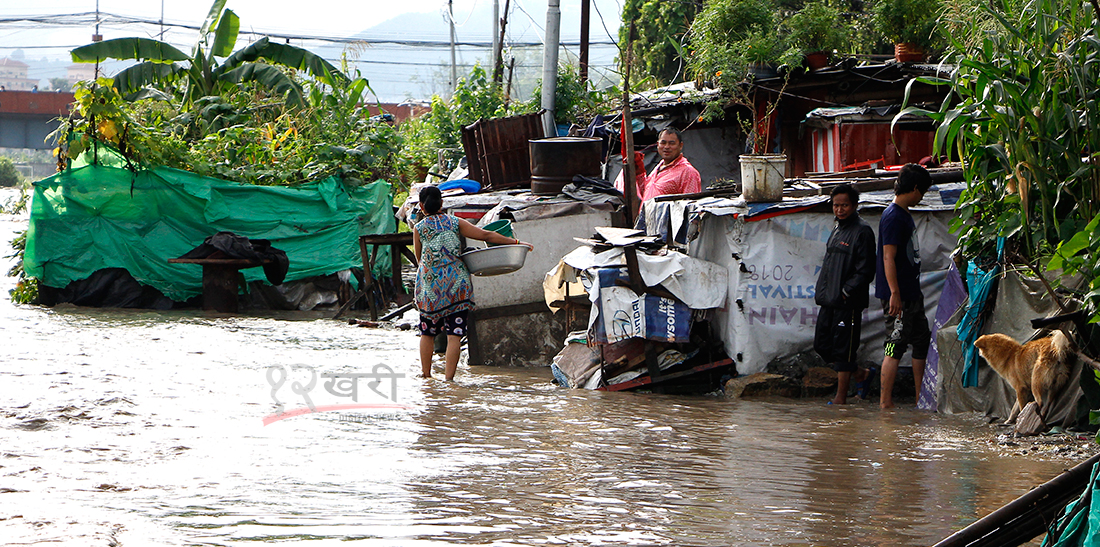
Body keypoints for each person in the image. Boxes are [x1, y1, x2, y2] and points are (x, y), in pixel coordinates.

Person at [412, 185, 533, 381]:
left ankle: (426, 376)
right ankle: (449, 380)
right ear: (442, 203)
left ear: (421, 206)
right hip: (457, 286)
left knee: (427, 332)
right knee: (454, 335)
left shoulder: (419, 229)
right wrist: (517, 243)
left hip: (430, 289)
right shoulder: (455, 222)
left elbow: (420, 260)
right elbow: (486, 235)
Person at [875, 163, 934, 409]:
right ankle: (885, 403)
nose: (921, 198)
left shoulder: (903, 215)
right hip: (898, 295)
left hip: (911, 293)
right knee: (895, 344)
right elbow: (888, 257)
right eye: (922, 193)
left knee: (921, 341)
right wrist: (895, 293)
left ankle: (921, 397)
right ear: (916, 189)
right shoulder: (893, 217)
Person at [814, 184, 876, 405]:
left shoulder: (862, 231)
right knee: (822, 345)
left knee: (843, 349)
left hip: (847, 302)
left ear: (855, 205)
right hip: (828, 300)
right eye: (836, 205)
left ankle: (840, 399)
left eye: (844, 205)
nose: (839, 210)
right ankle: (861, 374)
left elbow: (866, 269)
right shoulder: (837, 229)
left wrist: (846, 291)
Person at [616, 127, 702, 204]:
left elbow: (692, 207)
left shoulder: (688, 172)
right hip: (648, 220)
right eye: (663, 143)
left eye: (672, 143)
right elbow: (646, 192)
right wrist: (639, 173)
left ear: (680, 146)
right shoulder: (659, 167)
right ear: (658, 145)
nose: (667, 147)